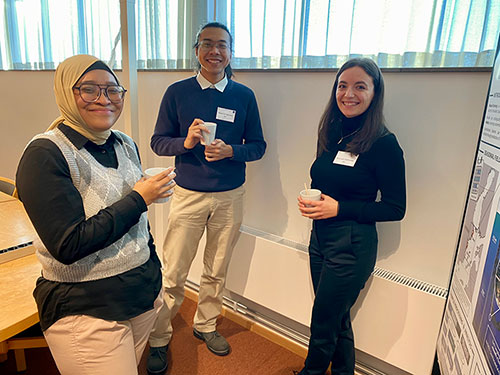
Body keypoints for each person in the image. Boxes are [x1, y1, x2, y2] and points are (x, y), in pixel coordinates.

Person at [16, 54, 175, 375]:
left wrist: (154, 272)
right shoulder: (46, 154)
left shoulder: (125, 143)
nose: (104, 100)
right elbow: (68, 245)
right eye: (89, 89)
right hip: (86, 306)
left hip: (140, 293)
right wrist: (139, 198)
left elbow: (138, 227)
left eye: (113, 90)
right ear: (65, 92)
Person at [147, 21, 266, 374]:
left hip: (230, 196)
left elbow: (258, 147)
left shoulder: (244, 96)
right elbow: (157, 141)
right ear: (196, 50)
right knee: (174, 270)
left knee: (217, 269)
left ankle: (206, 325)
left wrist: (231, 151)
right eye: (208, 44)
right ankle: (158, 337)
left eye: (223, 45)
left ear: (231, 53)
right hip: (188, 195)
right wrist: (184, 142)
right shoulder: (177, 92)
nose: (215, 51)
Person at [296, 58, 406, 375]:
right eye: (343, 85)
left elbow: (395, 208)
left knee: (323, 323)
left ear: (374, 93)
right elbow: (325, 182)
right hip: (320, 239)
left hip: (352, 244)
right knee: (337, 318)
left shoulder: (385, 144)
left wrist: (338, 208)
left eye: (360, 86)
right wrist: (314, 202)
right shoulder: (332, 132)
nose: (349, 94)